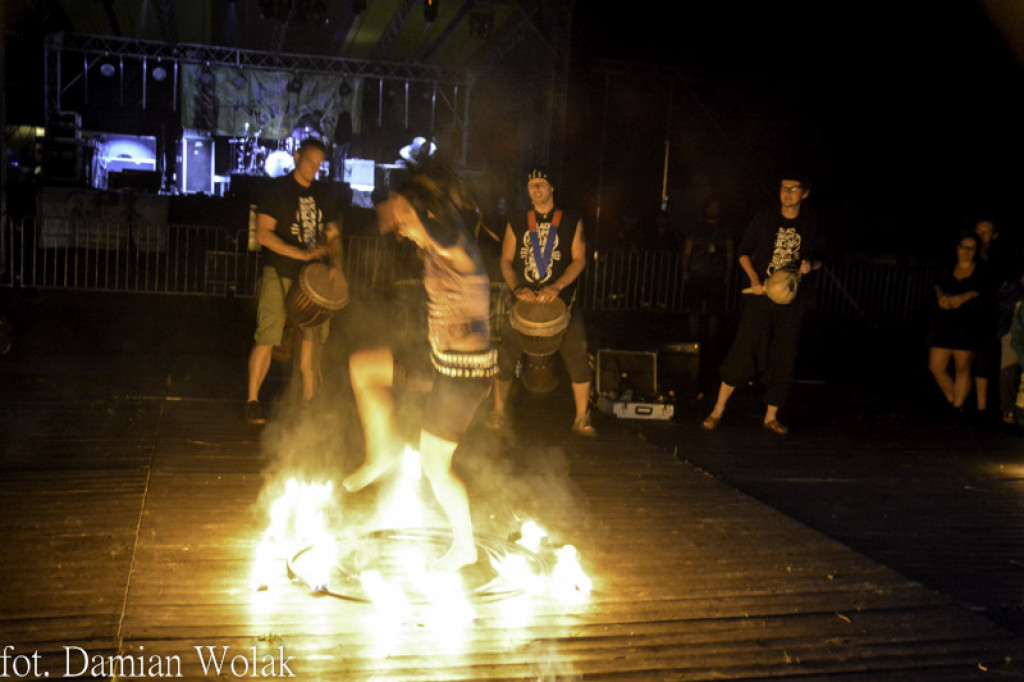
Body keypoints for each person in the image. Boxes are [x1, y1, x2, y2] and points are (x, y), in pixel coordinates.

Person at [343, 161, 495, 572]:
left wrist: (409, 211)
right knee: (364, 368)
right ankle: (383, 451)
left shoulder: (459, 248)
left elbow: (444, 244)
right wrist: (401, 211)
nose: (403, 232)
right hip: (439, 364)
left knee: (435, 467)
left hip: (465, 375)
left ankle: (465, 547)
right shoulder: (435, 245)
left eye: (407, 223)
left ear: (425, 216)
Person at [700, 175, 823, 435]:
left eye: (793, 189)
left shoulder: (811, 222)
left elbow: (824, 258)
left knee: (784, 355)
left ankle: (771, 417)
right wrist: (756, 279)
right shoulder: (765, 218)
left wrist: (811, 265)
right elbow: (744, 252)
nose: (787, 193)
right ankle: (717, 410)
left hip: (792, 302)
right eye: (783, 188)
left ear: (805, 193)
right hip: (761, 298)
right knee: (744, 348)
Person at [487, 167, 595, 436]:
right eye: (532, 184)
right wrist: (516, 288)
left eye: (542, 183)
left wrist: (558, 286)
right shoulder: (518, 220)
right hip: (524, 302)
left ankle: (582, 417)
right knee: (506, 356)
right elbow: (505, 260)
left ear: (551, 189)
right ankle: (498, 412)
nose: (536, 188)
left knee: (577, 356)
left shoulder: (570, 219)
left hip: (563, 302)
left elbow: (579, 259)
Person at [245, 138, 343, 424]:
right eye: (311, 162)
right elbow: (263, 235)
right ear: (297, 157)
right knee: (268, 336)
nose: (315, 169)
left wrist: (336, 265)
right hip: (280, 271)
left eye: (319, 165)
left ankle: (310, 400)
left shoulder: (324, 194)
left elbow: (335, 236)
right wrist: (300, 254)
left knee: (314, 340)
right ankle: (252, 400)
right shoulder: (277, 190)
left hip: (313, 279)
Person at [926, 232, 989, 413]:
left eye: (971, 248)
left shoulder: (981, 271)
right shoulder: (947, 269)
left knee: (962, 368)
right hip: (944, 323)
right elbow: (937, 286)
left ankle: (957, 407)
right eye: (964, 247)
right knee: (936, 367)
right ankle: (954, 398)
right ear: (957, 248)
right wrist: (941, 298)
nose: (966, 252)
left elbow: (981, 291)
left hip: (967, 324)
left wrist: (963, 297)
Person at [683, 197, 735, 344]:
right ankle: (693, 340)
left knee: (714, 311)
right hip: (697, 273)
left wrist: (727, 275)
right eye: (711, 207)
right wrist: (685, 271)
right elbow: (687, 250)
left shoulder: (725, 229)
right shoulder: (696, 227)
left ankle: (712, 340)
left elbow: (730, 253)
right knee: (694, 309)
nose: (713, 210)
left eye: (716, 207)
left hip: (716, 275)